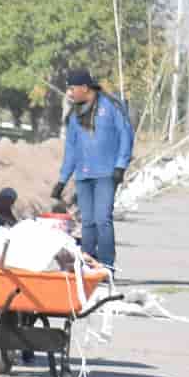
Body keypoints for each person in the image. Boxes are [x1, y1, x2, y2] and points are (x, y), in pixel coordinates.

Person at [54, 67, 133, 269]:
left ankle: (107, 265)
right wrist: (62, 179)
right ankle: (88, 263)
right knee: (87, 222)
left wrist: (120, 165)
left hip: (107, 173)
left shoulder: (111, 106)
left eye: (73, 88)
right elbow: (71, 148)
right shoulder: (74, 114)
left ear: (84, 87)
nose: (70, 93)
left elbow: (126, 135)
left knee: (102, 219)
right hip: (83, 175)